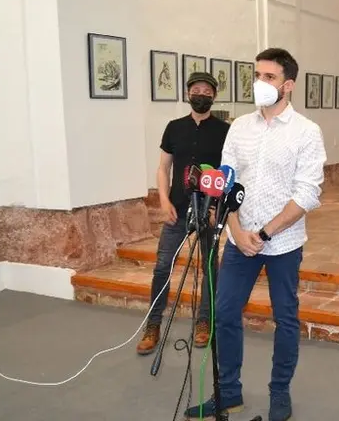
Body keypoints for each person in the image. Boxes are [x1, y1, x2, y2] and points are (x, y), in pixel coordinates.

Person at [185, 48, 327, 421]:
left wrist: (264, 233)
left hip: (283, 243)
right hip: (239, 239)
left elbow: (306, 194)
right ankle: (228, 392)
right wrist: (236, 228)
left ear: (288, 85)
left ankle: (279, 392)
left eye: (269, 77)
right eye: (257, 75)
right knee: (224, 312)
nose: (260, 83)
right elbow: (225, 183)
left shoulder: (306, 132)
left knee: (286, 318)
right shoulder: (240, 127)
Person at [136, 72, 229, 355]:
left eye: (207, 91)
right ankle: (153, 325)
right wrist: (164, 201)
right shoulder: (174, 128)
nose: (201, 95)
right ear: (188, 94)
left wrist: (215, 207)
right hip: (177, 209)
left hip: (209, 210)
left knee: (209, 267)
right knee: (163, 266)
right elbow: (163, 168)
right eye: (196, 90)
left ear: (214, 95)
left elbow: (227, 173)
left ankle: (204, 321)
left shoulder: (225, 131)